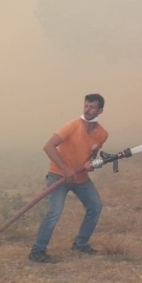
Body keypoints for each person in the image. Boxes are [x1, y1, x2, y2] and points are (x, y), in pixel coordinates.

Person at [28, 94, 109, 263]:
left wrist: (92, 164)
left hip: (81, 179)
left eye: (92, 107)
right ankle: (37, 251)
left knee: (95, 206)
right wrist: (65, 169)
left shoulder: (102, 134)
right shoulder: (72, 126)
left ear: (100, 110)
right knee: (54, 212)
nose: (88, 109)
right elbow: (48, 146)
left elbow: (91, 157)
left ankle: (80, 244)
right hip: (58, 176)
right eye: (86, 105)